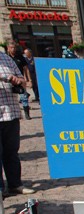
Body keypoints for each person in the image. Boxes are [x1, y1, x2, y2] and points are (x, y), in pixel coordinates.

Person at [0, 48, 35, 197]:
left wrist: (18, 80)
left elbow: (23, 82)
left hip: (11, 112)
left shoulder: (7, 59)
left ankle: (15, 184)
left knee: (11, 152)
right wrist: (5, 79)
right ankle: (0, 190)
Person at [6, 41, 31, 120]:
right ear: (8, 48)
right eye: (11, 48)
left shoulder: (20, 57)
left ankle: (27, 114)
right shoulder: (6, 58)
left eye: (14, 48)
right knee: (11, 98)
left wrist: (28, 79)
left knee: (23, 97)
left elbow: (26, 68)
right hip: (10, 80)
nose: (13, 49)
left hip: (20, 80)